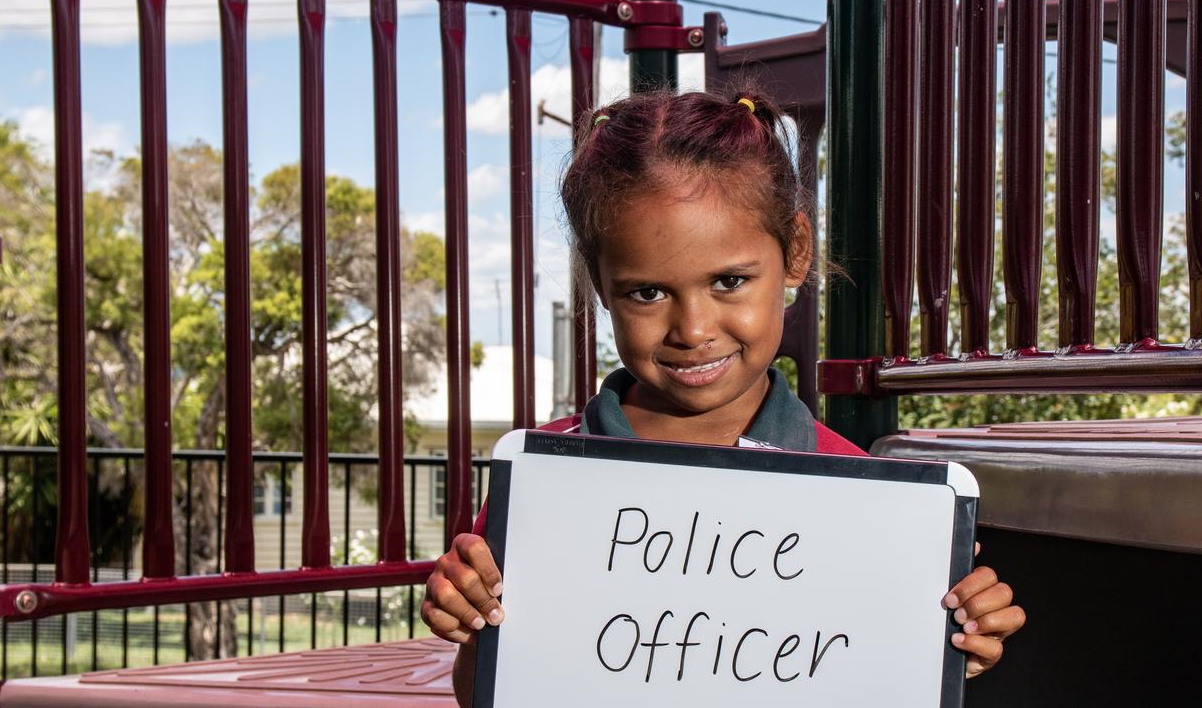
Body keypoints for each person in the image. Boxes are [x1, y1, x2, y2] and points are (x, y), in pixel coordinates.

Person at [421, 89, 1025, 704]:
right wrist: (474, 626)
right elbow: (489, 692)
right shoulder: (543, 483)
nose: (693, 330)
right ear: (600, 284)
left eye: (729, 281)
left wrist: (938, 647)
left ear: (794, 251)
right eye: (647, 293)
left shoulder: (860, 494)